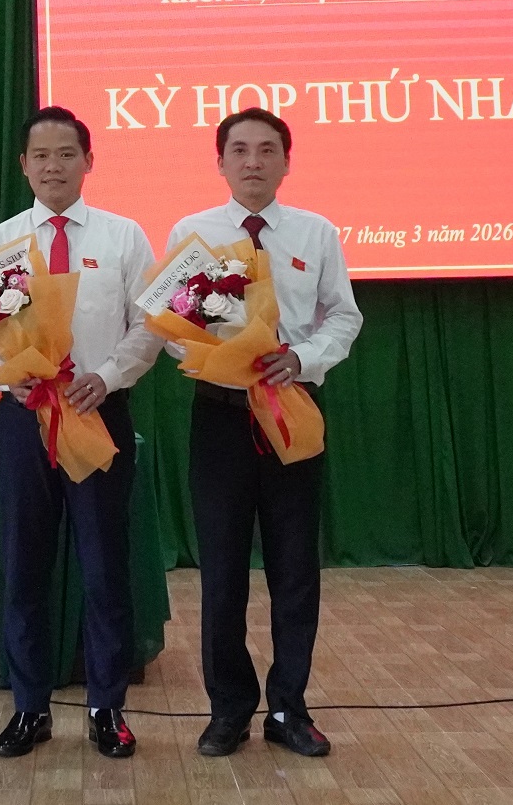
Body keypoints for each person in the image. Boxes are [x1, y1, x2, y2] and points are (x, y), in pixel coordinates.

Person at [165, 108, 362, 759]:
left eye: (267, 150)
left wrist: (301, 358)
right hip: (220, 416)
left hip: (291, 409)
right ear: (220, 162)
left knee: (294, 568)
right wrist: (218, 358)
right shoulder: (192, 232)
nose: (253, 161)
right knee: (222, 571)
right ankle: (228, 709)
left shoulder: (316, 232)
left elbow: (343, 316)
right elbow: (173, 327)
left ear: (286, 161)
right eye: (240, 150)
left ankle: (288, 708)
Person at [0, 106, 160, 759]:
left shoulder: (123, 236)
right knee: (23, 564)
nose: (52, 166)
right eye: (40, 155)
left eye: (65, 154)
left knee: (104, 566)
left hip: (97, 412)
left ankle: (107, 708)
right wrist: (6, 374)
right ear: (23, 165)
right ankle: (29, 707)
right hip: (25, 417)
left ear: (87, 161)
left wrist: (107, 376)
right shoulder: (0, 239)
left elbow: (151, 324)